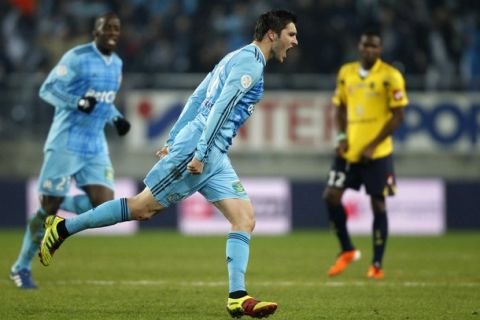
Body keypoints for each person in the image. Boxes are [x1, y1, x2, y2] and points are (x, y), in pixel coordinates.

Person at [39, 9, 298, 318]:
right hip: (201, 149)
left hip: (212, 153)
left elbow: (198, 96)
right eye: (291, 34)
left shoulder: (236, 56)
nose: (295, 41)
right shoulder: (250, 66)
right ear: (273, 34)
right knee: (142, 208)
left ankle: (237, 297)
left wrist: (175, 136)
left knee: (245, 218)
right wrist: (196, 152)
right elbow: (217, 111)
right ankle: (63, 228)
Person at [10, 12, 130, 289]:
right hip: (66, 140)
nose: (112, 32)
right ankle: (21, 268)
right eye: (106, 28)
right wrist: (76, 102)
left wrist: (116, 118)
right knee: (46, 210)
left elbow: (104, 101)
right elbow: (47, 89)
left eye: (116, 28)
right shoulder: (76, 57)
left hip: (95, 144)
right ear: (95, 32)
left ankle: (56, 202)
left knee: (104, 205)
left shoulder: (117, 64)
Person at [323, 30, 408, 279]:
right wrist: (340, 138)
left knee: (378, 204)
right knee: (331, 197)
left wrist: (373, 145)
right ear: (360, 48)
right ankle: (347, 250)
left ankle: (377, 265)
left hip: (377, 153)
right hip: (348, 151)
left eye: (375, 47)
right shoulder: (346, 73)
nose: (370, 50)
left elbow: (398, 115)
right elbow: (339, 108)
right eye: (366, 46)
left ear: (380, 49)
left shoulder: (391, 76)